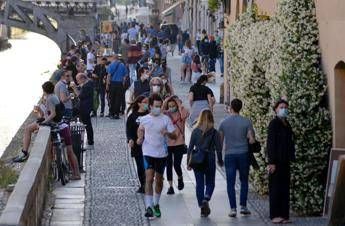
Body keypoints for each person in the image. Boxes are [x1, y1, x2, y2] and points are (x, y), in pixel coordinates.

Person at [13, 82, 81, 180]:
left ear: (44, 90)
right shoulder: (55, 97)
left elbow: (52, 114)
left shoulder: (49, 99)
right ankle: (77, 174)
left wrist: (43, 121)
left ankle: (24, 152)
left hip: (55, 126)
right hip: (63, 126)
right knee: (70, 152)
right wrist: (41, 113)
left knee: (28, 129)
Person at [137, 94, 177, 218]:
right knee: (149, 178)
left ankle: (156, 204)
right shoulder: (145, 119)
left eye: (160, 106)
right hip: (148, 152)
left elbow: (174, 136)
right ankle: (148, 207)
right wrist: (139, 138)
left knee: (159, 180)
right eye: (156, 106)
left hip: (162, 154)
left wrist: (167, 133)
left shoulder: (166, 119)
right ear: (150, 106)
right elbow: (141, 129)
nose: (158, 108)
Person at [218, 98, 255, 218]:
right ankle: (243, 206)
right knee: (244, 180)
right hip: (243, 153)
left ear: (231, 108)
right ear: (240, 108)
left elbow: (220, 142)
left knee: (230, 182)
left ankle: (233, 208)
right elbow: (251, 139)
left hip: (230, 155)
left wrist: (220, 157)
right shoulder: (246, 122)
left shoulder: (224, 122)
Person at [187, 109, 223, 217]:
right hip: (210, 159)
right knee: (210, 182)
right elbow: (219, 149)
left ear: (200, 117)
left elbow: (190, 148)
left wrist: (188, 162)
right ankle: (206, 198)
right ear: (212, 118)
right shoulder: (215, 132)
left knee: (199, 184)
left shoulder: (195, 131)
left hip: (198, 158)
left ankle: (201, 206)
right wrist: (220, 160)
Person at [267, 99, 295, 224]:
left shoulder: (287, 124)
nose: (284, 109)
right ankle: (275, 215)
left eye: (285, 107)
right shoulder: (274, 124)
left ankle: (284, 215)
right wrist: (271, 162)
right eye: (281, 107)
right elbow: (271, 144)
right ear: (276, 109)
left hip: (285, 161)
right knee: (275, 188)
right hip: (276, 162)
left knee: (284, 188)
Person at [163, 96, 189, 195]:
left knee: (177, 164)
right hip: (168, 143)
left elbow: (184, 114)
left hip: (179, 143)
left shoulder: (181, 113)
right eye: (169, 106)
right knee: (168, 165)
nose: (171, 107)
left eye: (173, 105)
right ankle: (170, 186)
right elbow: (160, 112)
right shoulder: (166, 114)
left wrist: (178, 103)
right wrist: (165, 101)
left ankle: (180, 177)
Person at [126, 95, 149, 193]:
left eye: (147, 102)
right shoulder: (133, 116)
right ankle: (143, 184)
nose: (146, 104)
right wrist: (130, 139)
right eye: (144, 102)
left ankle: (148, 183)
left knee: (148, 166)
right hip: (137, 145)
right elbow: (129, 130)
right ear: (139, 103)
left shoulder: (149, 115)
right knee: (140, 166)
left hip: (149, 144)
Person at [71, 73, 94, 149]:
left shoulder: (87, 86)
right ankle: (90, 141)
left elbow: (80, 96)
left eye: (78, 80)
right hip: (86, 106)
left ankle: (90, 142)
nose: (77, 82)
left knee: (87, 125)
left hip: (85, 108)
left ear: (83, 79)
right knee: (88, 124)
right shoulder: (89, 83)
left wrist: (74, 88)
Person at [106, 54, 128, 119]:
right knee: (118, 99)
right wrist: (123, 84)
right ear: (118, 58)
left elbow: (109, 75)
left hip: (112, 84)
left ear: (113, 58)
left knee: (111, 98)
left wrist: (107, 84)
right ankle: (116, 114)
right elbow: (125, 76)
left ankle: (111, 113)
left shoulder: (111, 65)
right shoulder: (122, 65)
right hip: (120, 84)